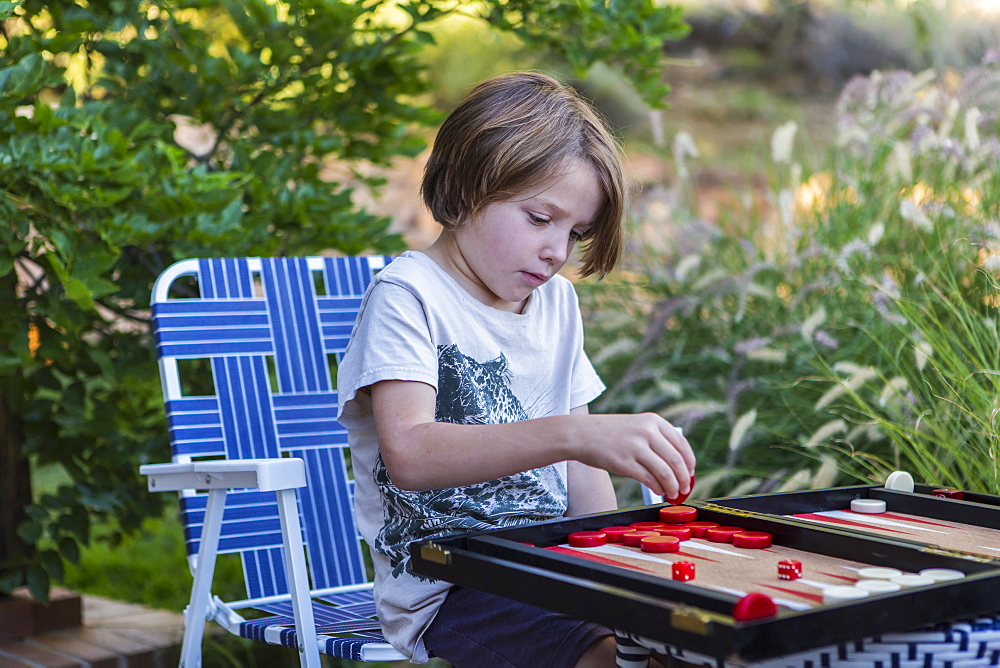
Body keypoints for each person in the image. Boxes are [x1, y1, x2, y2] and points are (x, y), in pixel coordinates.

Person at [337, 71, 695, 667]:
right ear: (469, 185)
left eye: (575, 232)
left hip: (552, 567)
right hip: (451, 585)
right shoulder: (409, 295)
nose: (558, 250)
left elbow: (584, 475)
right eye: (539, 218)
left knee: (686, 636)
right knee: (601, 655)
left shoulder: (558, 304)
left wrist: (626, 559)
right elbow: (412, 454)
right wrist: (577, 435)